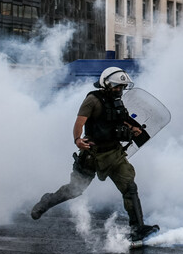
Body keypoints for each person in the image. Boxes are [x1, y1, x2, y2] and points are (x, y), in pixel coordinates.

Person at [30, 67, 158, 241]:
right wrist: (77, 140)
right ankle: (46, 201)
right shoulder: (92, 100)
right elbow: (79, 123)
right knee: (74, 190)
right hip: (92, 155)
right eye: (115, 86)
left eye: (121, 87)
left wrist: (133, 128)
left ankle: (137, 229)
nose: (119, 90)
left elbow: (123, 119)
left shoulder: (118, 102)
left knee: (130, 188)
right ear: (105, 83)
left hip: (114, 154)